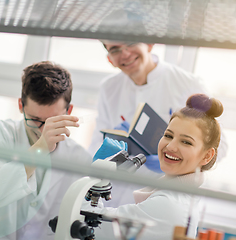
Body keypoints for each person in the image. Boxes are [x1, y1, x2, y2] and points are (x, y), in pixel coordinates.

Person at [89, 10, 228, 207]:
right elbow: (96, 142)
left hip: (164, 198)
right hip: (116, 198)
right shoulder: (108, 88)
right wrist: (108, 150)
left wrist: (172, 157)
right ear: (109, 59)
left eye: (130, 43)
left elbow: (219, 147)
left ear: (149, 43)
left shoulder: (185, 83)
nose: (125, 54)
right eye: (115, 49)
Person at [0, 61, 92, 240]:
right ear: (21, 105)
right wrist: (40, 149)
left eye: (52, 120)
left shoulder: (78, 158)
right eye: (35, 119)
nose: (42, 129)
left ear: (69, 111)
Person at [83, 93, 224, 240]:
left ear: (207, 155)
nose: (170, 146)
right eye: (168, 136)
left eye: (186, 142)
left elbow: (90, 227)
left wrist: (96, 176)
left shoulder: (167, 204)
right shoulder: (181, 197)